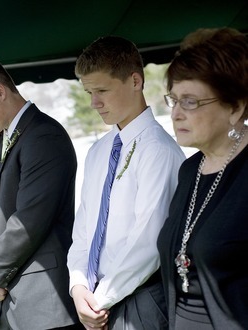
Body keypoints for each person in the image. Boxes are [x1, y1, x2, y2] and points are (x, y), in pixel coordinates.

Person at [0, 56, 81, 330]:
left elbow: (29, 221)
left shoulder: (44, 136)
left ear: (0, 91)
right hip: (7, 302)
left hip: (45, 304)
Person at [67, 36, 186, 329]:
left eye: (102, 90)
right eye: (89, 92)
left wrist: (99, 300)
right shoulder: (97, 152)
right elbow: (84, 229)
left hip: (140, 301)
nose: (94, 103)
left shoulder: (159, 150)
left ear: (135, 81)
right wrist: (79, 287)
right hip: (95, 303)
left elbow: (148, 242)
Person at [157, 27, 248, 329]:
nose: (176, 114)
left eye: (191, 102)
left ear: (235, 107)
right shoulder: (190, 169)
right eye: (174, 100)